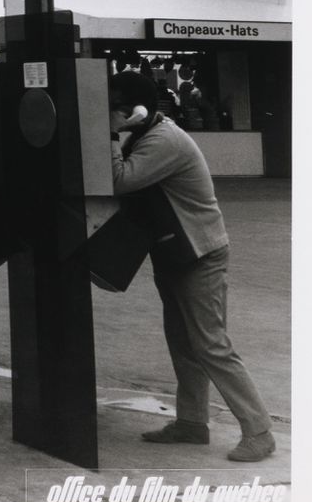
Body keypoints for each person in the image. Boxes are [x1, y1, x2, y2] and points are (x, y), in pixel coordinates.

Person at [108, 70, 275, 462]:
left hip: (200, 253)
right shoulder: (147, 133)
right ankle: (192, 423)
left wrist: (112, 135)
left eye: (113, 110)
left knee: (211, 344)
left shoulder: (164, 141)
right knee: (183, 343)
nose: (107, 117)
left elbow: (120, 179)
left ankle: (259, 430)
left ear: (132, 110)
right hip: (175, 250)